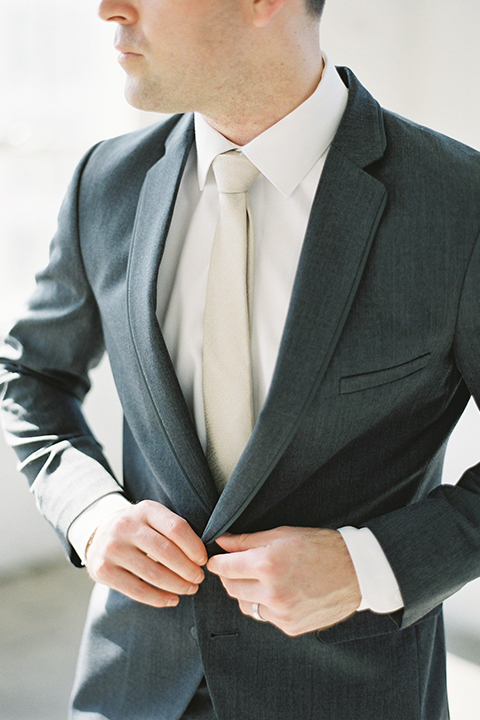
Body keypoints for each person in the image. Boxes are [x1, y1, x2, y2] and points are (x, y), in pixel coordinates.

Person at [1, 0, 480, 717]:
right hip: (132, 688)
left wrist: (368, 565)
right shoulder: (105, 182)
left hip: (352, 693)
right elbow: (33, 375)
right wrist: (92, 513)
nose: (107, 9)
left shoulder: (459, 204)